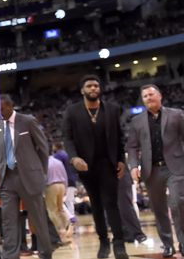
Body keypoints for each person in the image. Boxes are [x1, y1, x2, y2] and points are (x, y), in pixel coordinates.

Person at [62, 74, 129, 259]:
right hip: (86, 166)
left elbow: (120, 138)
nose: (93, 89)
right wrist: (73, 158)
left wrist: (122, 160)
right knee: (97, 206)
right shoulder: (72, 111)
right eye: (89, 86)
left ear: (100, 89)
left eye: (96, 86)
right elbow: (67, 138)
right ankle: (104, 243)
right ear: (82, 90)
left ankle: (119, 244)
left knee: (111, 204)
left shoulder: (113, 109)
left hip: (108, 164)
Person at [127, 84, 184, 257]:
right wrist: (133, 166)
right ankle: (167, 245)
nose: (148, 98)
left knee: (177, 204)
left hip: (176, 167)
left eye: (151, 94)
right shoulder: (136, 121)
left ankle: (183, 243)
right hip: (151, 170)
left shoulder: (177, 114)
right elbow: (131, 147)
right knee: (158, 209)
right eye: (145, 96)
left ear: (160, 96)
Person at [0, 95, 52, 259]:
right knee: (8, 220)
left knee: (38, 219)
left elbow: (43, 148)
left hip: (30, 177)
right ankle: (10, 255)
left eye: (1, 108)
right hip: (7, 178)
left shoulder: (27, 121)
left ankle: (45, 253)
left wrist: (41, 173)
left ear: (10, 106)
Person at [45, 153, 71, 245]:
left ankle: (61, 230)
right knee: (61, 208)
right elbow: (65, 175)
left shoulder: (44, 162)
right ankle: (67, 226)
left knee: (52, 210)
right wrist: (66, 188)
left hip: (51, 186)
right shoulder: (58, 162)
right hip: (62, 185)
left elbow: (44, 177)